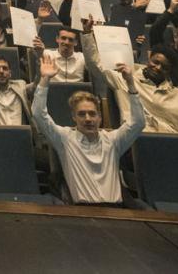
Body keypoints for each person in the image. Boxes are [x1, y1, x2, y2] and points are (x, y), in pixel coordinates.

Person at [32, 53, 146, 206]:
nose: (87, 119)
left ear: (100, 117)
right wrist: (45, 79)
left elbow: (138, 122)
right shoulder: (65, 139)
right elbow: (39, 114)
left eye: (92, 114)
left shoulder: (113, 140)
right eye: (81, 114)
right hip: (83, 213)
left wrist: (131, 83)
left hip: (117, 213)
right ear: (74, 118)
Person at [80, 26, 178, 134]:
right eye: (155, 62)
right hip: (136, 140)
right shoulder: (125, 79)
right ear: (149, 58)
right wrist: (87, 34)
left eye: (164, 67)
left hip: (170, 144)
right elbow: (94, 64)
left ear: (169, 71)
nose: (158, 68)